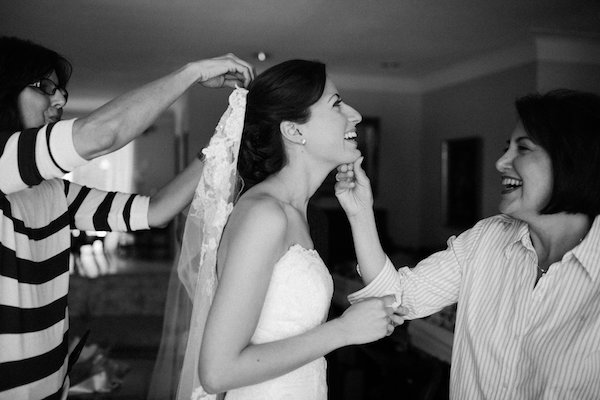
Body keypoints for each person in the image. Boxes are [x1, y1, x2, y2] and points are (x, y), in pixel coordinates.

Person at [0, 36, 253, 399]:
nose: (58, 100)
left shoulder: (55, 191)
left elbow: (157, 210)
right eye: (44, 87)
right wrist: (192, 72)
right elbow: (102, 134)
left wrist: (224, 143)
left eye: (61, 91)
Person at [334, 88, 600, 399]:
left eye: (523, 149)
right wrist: (360, 211)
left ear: (573, 162)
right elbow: (395, 298)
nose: (501, 162)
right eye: (506, 148)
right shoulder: (486, 239)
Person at [174, 60, 403, 400]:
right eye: (337, 103)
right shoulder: (265, 215)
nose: (354, 115)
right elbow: (217, 372)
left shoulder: (301, 214)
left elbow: (392, 300)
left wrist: (361, 213)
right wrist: (341, 331)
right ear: (294, 131)